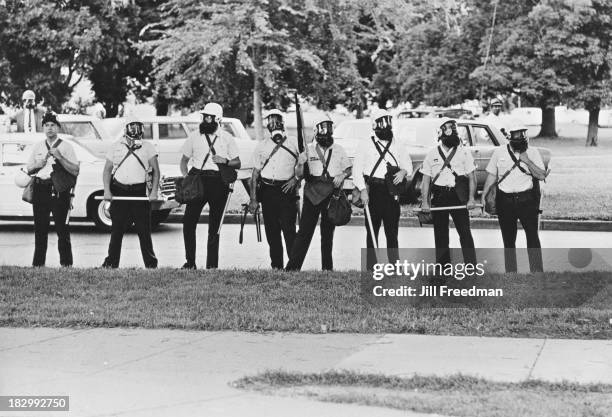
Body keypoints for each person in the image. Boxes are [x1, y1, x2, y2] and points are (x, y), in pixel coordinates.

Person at [285, 116, 351, 271]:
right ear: (315, 131)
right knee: (304, 233)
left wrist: (342, 175)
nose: (326, 132)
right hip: (312, 194)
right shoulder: (308, 149)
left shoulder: (339, 149)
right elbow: (299, 174)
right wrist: (300, 162)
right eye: (322, 129)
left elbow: (348, 168)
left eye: (329, 128)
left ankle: (327, 269)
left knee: (328, 234)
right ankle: (293, 268)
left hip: (331, 194)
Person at [180, 102, 241, 269]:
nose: (206, 120)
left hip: (218, 182)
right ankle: (190, 262)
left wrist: (225, 160)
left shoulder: (227, 138)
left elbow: (237, 163)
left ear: (218, 119)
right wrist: (187, 179)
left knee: (215, 226)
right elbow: (184, 161)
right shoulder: (194, 136)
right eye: (204, 117)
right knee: (188, 222)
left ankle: (212, 266)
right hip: (197, 180)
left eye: (209, 117)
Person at [353, 109, 413, 268]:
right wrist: (363, 190)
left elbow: (409, 165)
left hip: (391, 192)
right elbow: (356, 170)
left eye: (388, 122)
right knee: (372, 230)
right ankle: (371, 267)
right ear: (374, 125)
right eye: (382, 122)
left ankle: (394, 266)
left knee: (392, 231)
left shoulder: (398, 144)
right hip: (372, 190)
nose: (386, 126)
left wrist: (403, 171)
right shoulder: (365, 144)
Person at [482, 128, 547, 272]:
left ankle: (537, 273)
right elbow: (492, 175)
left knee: (532, 237)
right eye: (516, 141)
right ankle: (511, 274)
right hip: (505, 201)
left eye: (522, 141)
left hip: (527, 200)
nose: (520, 144)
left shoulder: (533, 152)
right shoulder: (499, 152)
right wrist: (484, 194)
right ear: (509, 139)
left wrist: (527, 161)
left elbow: (541, 176)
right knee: (508, 241)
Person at [101, 119, 160, 268]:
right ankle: (111, 263)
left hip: (139, 193)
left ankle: (151, 264)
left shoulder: (148, 147)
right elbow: (107, 170)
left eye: (138, 126)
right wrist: (107, 191)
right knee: (117, 231)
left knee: (144, 231)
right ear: (126, 128)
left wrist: (153, 192)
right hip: (120, 192)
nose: (135, 130)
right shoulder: (115, 147)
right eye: (132, 126)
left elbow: (156, 171)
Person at [25, 110, 79, 266]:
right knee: (40, 230)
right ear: (43, 128)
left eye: (53, 125)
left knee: (63, 230)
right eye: (47, 125)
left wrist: (60, 158)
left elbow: (75, 170)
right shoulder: (38, 146)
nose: (50, 128)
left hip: (59, 191)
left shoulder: (67, 146)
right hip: (41, 189)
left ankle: (66, 265)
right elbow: (28, 169)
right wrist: (38, 164)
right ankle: (38, 265)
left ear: (58, 127)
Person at [421, 119, 477, 266]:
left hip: (458, 195)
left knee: (464, 232)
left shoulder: (464, 152)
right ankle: (443, 267)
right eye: (447, 130)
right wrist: (425, 202)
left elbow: (472, 177)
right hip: (439, 196)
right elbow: (426, 180)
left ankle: (471, 267)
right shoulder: (431, 153)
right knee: (440, 235)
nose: (451, 134)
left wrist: (471, 199)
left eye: (453, 130)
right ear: (440, 135)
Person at [248, 109, 299, 269]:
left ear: (283, 124)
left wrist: (296, 179)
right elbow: (255, 175)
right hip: (268, 191)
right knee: (272, 232)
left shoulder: (294, 143)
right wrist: (253, 199)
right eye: (271, 121)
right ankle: (276, 266)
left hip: (286, 191)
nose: (274, 124)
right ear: (267, 125)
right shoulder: (261, 146)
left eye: (277, 121)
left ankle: (293, 267)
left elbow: (304, 165)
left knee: (289, 230)